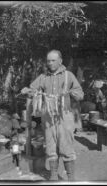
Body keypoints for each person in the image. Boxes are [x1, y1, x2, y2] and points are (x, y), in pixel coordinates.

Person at [21, 50, 84, 181]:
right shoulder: (43, 77)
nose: (50, 63)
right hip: (48, 116)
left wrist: (72, 93)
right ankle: (54, 176)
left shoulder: (69, 76)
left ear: (60, 61)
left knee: (66, 147)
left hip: (64, 117)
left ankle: (71, 178)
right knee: (50, 146)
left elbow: (80, 94)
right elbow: (32, 90)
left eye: (53, 60)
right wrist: (27, 90)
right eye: (48, 61)